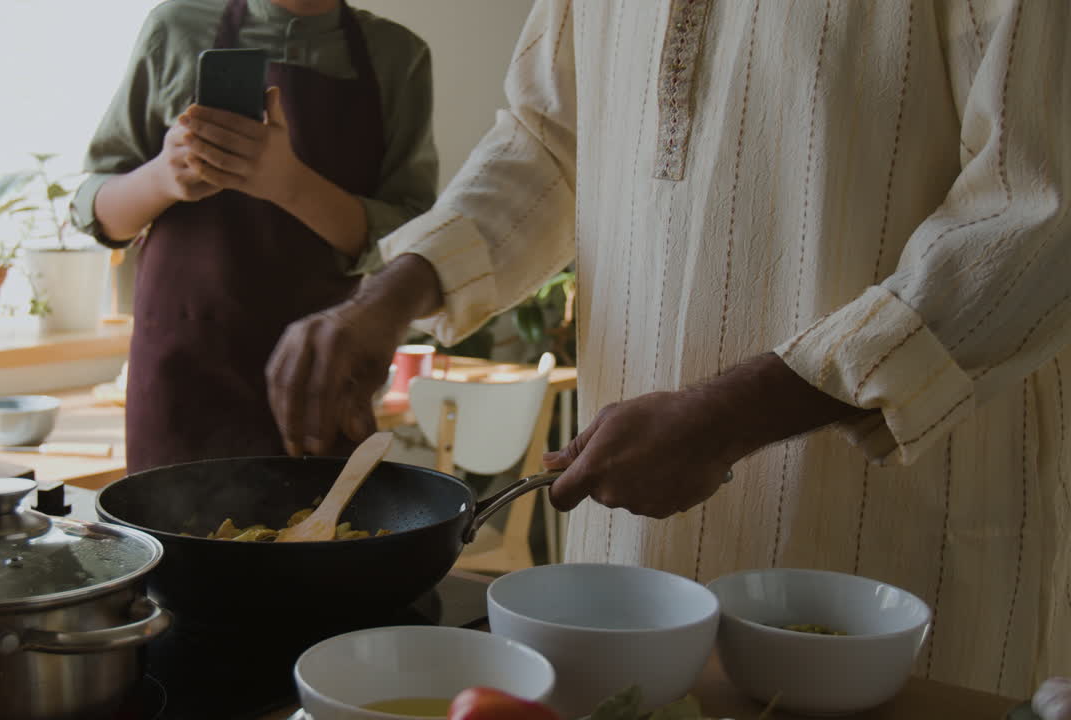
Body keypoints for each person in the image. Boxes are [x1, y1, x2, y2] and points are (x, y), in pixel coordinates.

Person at [266, 0, 1070, 703]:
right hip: (634, 532)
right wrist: (392, 295)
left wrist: (729, 414)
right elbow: (546, 142)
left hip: (886, 529)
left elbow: (1036, 213)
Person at [70, 0, 436, 472]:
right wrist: (163, 177)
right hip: (182, 380)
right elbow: (99, 211)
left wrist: (287, 182)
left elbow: (414, 243)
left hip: (316, 378)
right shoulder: (176, 27)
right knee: (177, 537)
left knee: (318, 534)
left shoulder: (398, 56)